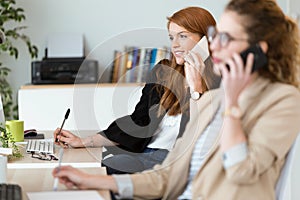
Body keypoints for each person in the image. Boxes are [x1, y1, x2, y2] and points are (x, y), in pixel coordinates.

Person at [52, 0, 300, 199]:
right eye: (216, 36)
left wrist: (224, 101)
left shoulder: (282, 100)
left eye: (226, 38)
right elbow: (168, 174)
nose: (216, 46)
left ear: (259, 50)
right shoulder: (215, 98)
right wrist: (90, 180)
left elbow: (241, 171)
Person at [54, 7, 220, 174]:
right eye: (171, 37)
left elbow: (202, 136)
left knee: (109, 170)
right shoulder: (163, 72)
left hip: (173, 161)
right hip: (143, 152)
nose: (174, 44)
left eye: (183, 36)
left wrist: (196, 89)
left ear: (204, 41)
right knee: (94, 166)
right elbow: (138, 121)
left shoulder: (221, 82)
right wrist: (83, 141)